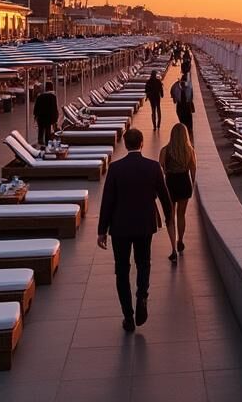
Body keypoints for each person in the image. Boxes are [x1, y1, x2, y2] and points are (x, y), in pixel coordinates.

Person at [97, 129, 176, 332]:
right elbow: (165, 197)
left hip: (120, 226)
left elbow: (107, 201)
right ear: (141, 143)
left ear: (125, 144)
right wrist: (169, 217)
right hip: (144, 224)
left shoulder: (115, 169)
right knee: (143, 262)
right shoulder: (152, 167)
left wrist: (102, 231)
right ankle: (142, 295)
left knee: (121, 270)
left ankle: (128, 316)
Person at [158, 123, 197, 257]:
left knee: (170, 216)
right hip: (184, 182)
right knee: (181, 215)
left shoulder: (165, 150)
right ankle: (180, 240)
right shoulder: (189, 151)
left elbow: (161, 169)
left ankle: (173, 248)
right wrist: (192, 184)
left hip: (170, 183)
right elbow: (193, 169)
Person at [170, 72, 195, 138]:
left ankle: (188, 133)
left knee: (187, 121)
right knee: (184, 121)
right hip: (182, 106)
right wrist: (174, 99)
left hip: (185, 106)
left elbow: (191, 96)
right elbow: (172, 92)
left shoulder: (188, 87)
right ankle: (186, 133)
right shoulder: (177, 86)